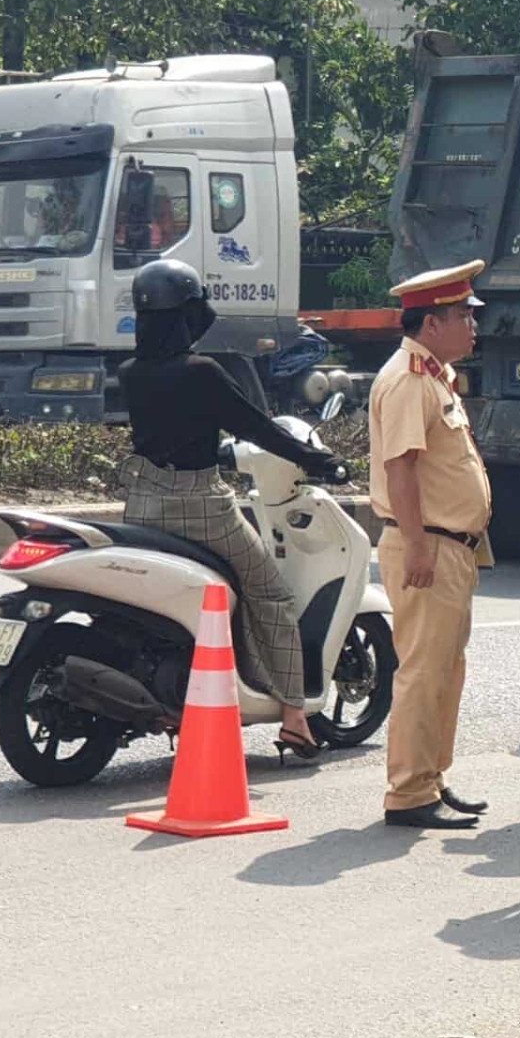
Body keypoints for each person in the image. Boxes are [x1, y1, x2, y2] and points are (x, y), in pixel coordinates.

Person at [114, 258, 342, 760]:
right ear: (188, 314)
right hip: (201, 506)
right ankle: (295, 714)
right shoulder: (201, 372)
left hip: (142, 505)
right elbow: (257, 427)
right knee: (269, 592)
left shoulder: (129, 372)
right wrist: (317, 459)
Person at [371, 259, 495, 830]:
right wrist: (418, 546)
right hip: (429, 545)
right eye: (464, 316)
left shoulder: (433, 375)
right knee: (424, 670)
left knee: (446, 668)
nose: (473, 326)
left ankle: (431, 777)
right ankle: (409, 793)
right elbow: (401, 470)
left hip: (452, 545)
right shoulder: (406, 380)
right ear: (432, 323)